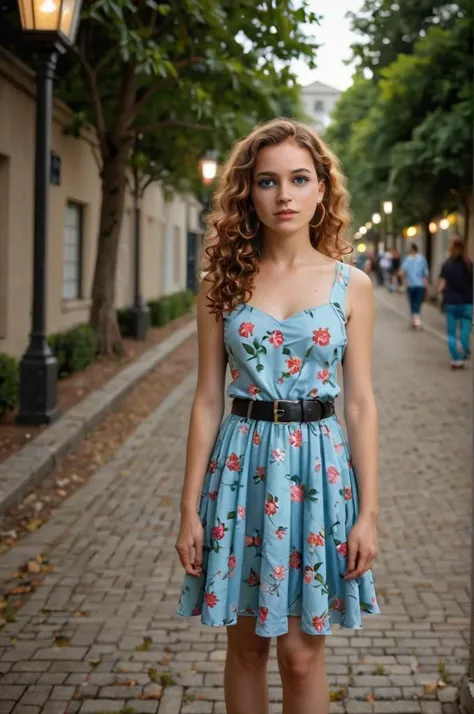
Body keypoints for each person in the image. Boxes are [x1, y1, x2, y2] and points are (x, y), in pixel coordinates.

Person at [174, 118, 380, 714]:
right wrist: (188, 508)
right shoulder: (221, 282)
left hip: (320, 470)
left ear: (321, 190)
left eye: (298, 179)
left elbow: (361, 402)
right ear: (248, 192)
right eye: (267, 181)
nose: (283, 195)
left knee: (301, 655)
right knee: (245, 651)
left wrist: (369, 511)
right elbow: (207, 398)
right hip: (241, 469)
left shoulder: (352, 285)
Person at [438, 236, 473, 369]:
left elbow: (442, 284)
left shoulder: (447, 265)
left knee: (451, 333)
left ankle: (455, 359)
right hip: (467, 303)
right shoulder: (469, 265)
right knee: (465, 330)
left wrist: (439, 292)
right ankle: (464, 351)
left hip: (451, 302)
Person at [399, 243, 430, 329]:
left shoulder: (407, 259)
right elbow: (426, 274)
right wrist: (427, 286)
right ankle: (416, 320)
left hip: (411, 285)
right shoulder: (422, 259)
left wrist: (403, 282)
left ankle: (415, 321)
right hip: (420, 284)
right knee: (418, 302)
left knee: (412, 303)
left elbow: (401, 272)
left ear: (411, 250)